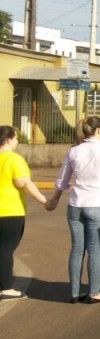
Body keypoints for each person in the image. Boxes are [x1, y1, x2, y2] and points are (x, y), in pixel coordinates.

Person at [47, 117, 100, 304]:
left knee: (76, 250)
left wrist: (55, 199)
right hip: (99, 204)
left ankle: (74, 293)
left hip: (76, 205)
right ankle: (93, 292)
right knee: (95, 250)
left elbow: (62, 180)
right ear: (98, 130)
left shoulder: (73, 152)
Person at [0, 126, 49, 300]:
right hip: (9, 212)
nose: (17, 141)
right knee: (5, 249)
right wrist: (45, 201)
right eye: (16, 138)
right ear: (9, 139)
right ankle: (5, 287)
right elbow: (23, 183)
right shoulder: (14, 160)